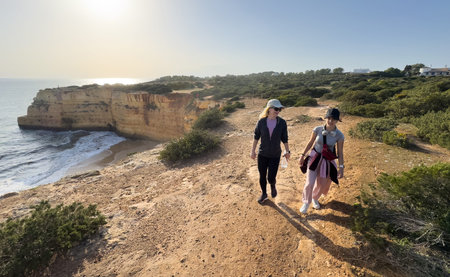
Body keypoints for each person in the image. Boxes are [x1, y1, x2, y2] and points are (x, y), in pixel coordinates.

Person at [298, 108, 345, 214]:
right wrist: (302, 155)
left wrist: (341, 168)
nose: (330, 121)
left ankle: (315, 198)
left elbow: (340, 153)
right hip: (314, 158)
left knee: (322, 183)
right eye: (329, 118)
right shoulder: (317, 129)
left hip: (327, 161)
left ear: (337, 120)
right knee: (309, 182)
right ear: (326, 118)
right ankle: (306, 202)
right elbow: (310, 143)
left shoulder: (339, 135)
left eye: (333, 119)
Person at [251, 99, 290, 204]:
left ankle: (273, 185)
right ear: (269, 109)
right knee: (262, 175)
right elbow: (256, 137)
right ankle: (264, 194)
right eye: (276, 109)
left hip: (275, 154)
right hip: (263, 154)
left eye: (279, 109)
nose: (278, 111)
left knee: (271, 177)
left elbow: (284, 138)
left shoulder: (282, 122)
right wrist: (253, 151)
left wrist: (287, 151)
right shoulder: (261, 122)